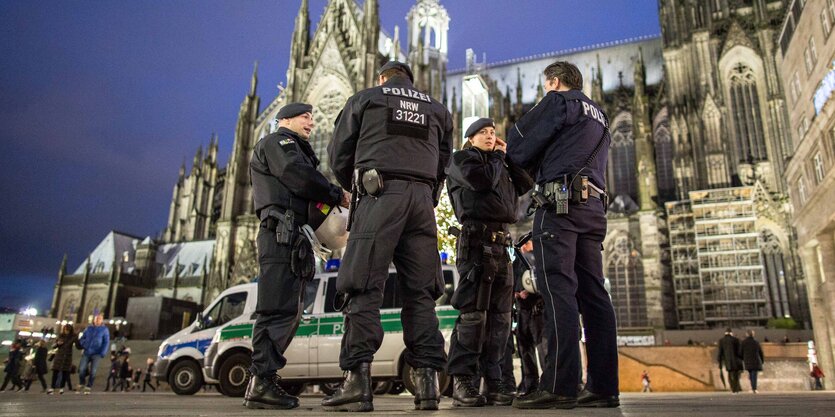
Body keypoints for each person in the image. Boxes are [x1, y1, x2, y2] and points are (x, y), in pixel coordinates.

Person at [325, 61, 453, 412]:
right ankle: (427, 385)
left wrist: (356, 185)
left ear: (383, 78)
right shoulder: (436, 109)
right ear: (411, 81)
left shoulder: (366, 99)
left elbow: (338, 153)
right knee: (422, 292)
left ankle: (357, 381)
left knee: (363, 285)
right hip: (422, 201)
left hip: (379, 194)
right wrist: (428, 193)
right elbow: (445, 160)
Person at [506, 61, 617, 409]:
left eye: (546, 86)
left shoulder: (558, 102)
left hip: (560, 206)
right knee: (595, 294)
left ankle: (558, 384)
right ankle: (603, 386)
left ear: (553, 82)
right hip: (594, 209)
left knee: (557, 291)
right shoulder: (599, 115)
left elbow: (518, 145)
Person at [245, 102, 349, 410]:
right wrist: (333, 193)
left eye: (313, 118)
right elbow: (296, 175)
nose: (312, 123)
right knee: (277, 308)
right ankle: (260, 381)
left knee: (289, 308)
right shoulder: (278, 142)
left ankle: (264, 378)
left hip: (293, 236)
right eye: (305, 117)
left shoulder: (292, 147)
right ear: (285, 119)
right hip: (281, 234)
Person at [444, 118, 533, 407]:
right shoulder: (461, 160)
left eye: (493, 133)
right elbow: (480, 182)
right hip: (476, 243)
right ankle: (463, 380)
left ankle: (494, 381)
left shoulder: (499, 163)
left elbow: (525, 183)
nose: (490, 136)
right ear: (470, 138)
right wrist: (496, 157)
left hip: (502, 244)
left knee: (500, 319)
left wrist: (509, 158)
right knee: (473, 315)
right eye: (483, 133)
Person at [513, 239, 546, 396]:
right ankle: (531, 383)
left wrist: (527, 292)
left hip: (535, 310)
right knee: (527, 348)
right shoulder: (520, 261)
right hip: (523, 309)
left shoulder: (535, 258)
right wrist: (517, 292)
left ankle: (541, 383)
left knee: (539, 347)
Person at [76, 313, 110, 394]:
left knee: (93, 371)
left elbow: (106, 342)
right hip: (87, 351)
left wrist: (103, 352)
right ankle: (82, 383)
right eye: (96, 319)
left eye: (99, 319)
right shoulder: (89, 328)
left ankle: (89, 386)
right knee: (81, 369)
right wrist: (84, 344)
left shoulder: (104, 329)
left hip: (97, 353)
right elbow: (82, 338)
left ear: (101, 320)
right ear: (94, 320)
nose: (97, 320)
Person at [48, 324, 76, 394]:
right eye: (65, 330)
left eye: (68, 330)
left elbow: (78, 345)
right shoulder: (60, 336)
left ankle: (61, 388)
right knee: (55, 372)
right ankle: (52, 387)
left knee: (65, 372)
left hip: (67, 356)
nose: (66, 331)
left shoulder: (73, 337)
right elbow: (53, 346)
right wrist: (58, 343)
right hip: (59, 356)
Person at [718, 328, 743, 394]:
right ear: (731, 333)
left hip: (727, 361)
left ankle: (732, 388)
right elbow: (740, 352)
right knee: (736, 375)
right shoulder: (736, 340)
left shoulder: (721, 341)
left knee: (730, 374)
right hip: (736, 360)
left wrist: (720, 363)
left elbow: (720, 353)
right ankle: (736, 388)